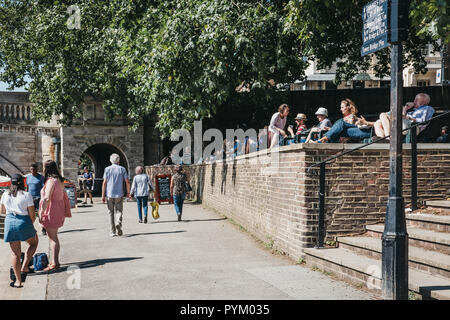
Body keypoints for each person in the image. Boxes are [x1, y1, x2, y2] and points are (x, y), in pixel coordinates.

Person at [0, 174, 38, 288]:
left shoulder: (5, 194)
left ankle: (18, 281)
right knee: (34, 243)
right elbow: (32, 215)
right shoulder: (26, 195)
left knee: (15, 253)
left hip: (10, 223)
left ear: (11, 183)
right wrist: (31, 225)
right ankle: (25, 266)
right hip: (24, 222)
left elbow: (2, 211)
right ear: (23, 183)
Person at [360, 93, 435, 139]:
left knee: (383, 115)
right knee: (378, 123)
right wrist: (406, 108)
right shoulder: (412, 111)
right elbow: (388, 119)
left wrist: (408, 117)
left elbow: (424, 120)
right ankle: (384, 140)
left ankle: (388, 138)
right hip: (403, 124)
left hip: (413, 127)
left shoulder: (428, 108)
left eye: (416, 100)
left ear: (424, 102)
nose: (414, 101)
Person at [38, 160, 68, 272]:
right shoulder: (59, 180)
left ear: (46, 169)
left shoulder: (51, 181)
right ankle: (55, 261)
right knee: (53, 237)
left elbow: (47, 198)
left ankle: (55, 262)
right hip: (58, 208)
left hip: (52, 210)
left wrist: (41, 212)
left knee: (53, 238)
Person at [102, 153, 130, 237]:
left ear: (111, 160)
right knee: (119, 211)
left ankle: (112, 231)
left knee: (111, 212)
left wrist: (103, 195)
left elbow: (104, 183)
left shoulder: (107, 169)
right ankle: (118, 222)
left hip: (109, 194)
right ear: (119, 160)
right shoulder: (122, 169)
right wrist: (128, 193)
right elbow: (127, 182)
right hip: (119, 194)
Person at [25, 163, 46, 235]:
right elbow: (27, 188)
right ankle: (31, 229)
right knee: (30, 215)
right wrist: (26, 197)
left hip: (39, 198)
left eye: (33, 169)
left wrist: (42, 197)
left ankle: (43, 228)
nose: (32, 171)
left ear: (36, 169)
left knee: (41, 214)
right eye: (31, 169)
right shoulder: (28, 177)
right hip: (30, 198)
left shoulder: (41, 177)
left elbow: (44, 188)